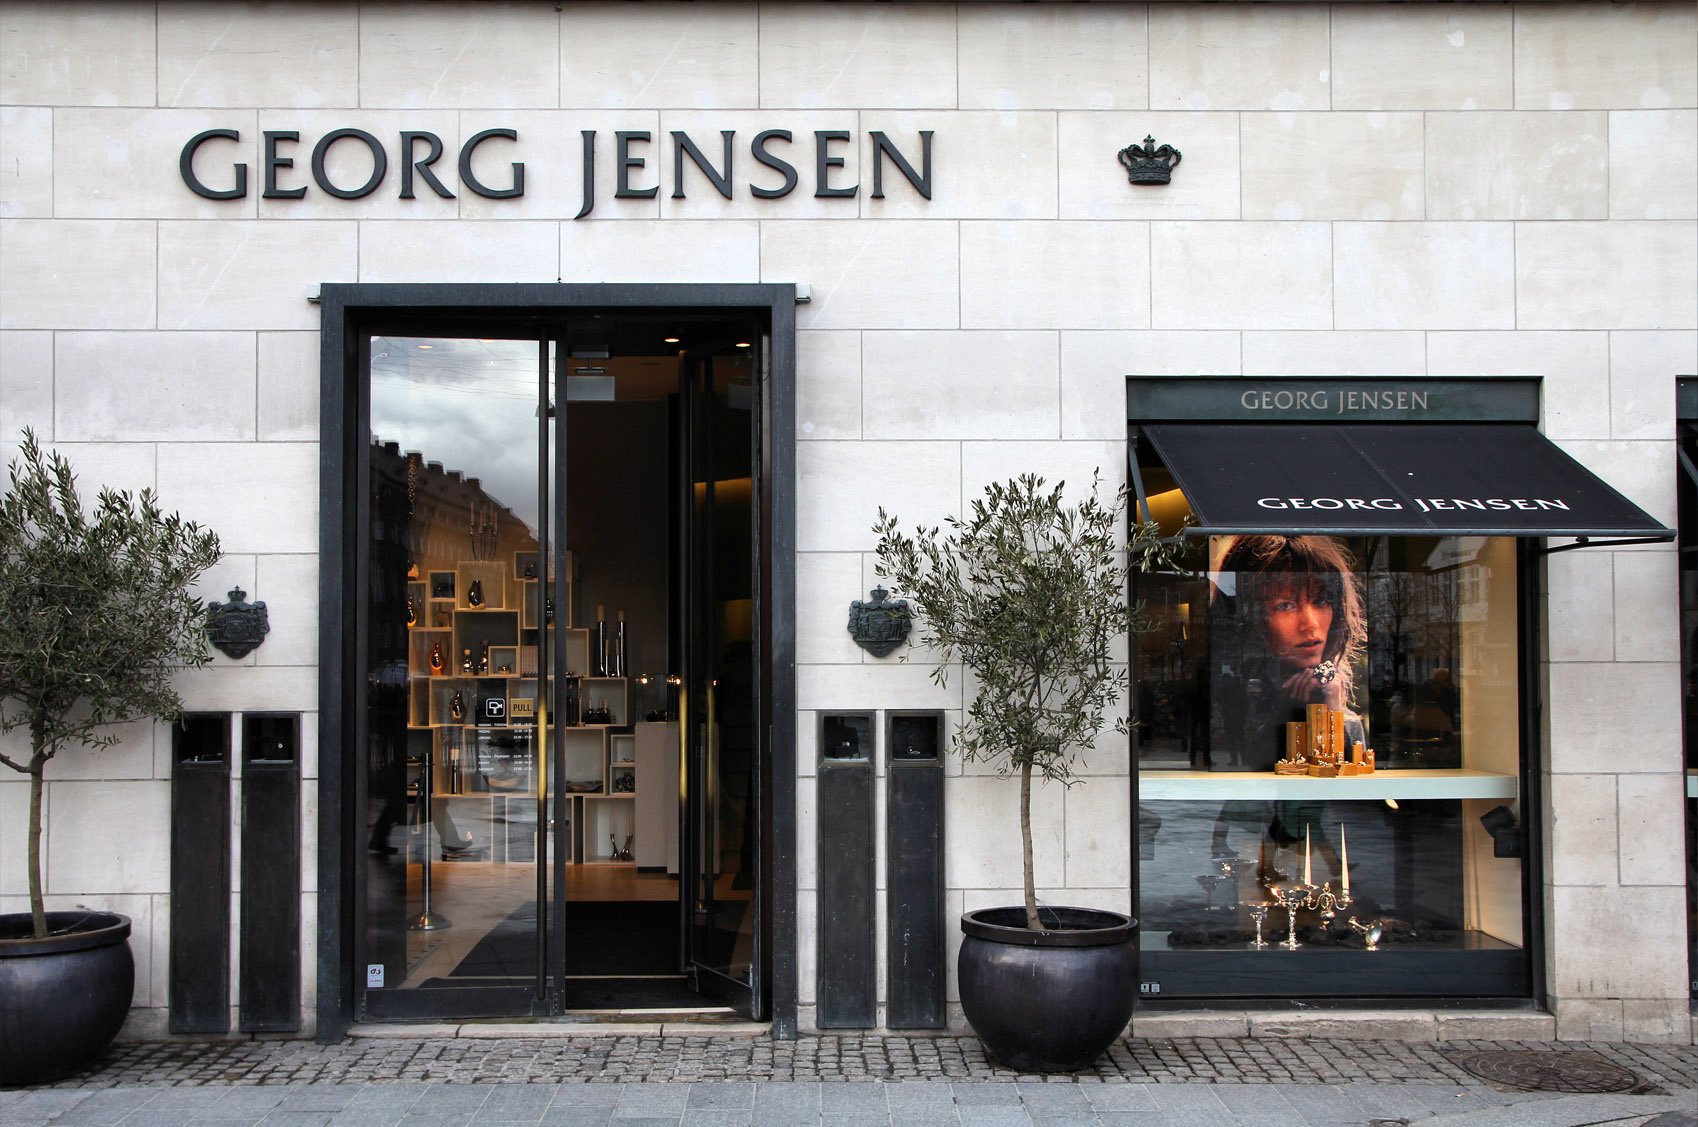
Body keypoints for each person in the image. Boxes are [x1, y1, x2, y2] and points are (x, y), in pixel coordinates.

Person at [1208, 534, 1368, 770]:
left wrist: (1332, 712)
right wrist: (1285, 712)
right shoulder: (1237, 699)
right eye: (1285, 605)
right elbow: (1248, 769)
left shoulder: (1342, 713)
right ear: (1251, 619)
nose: (1310, 623)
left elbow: (1350, 791)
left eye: (1320, 600)